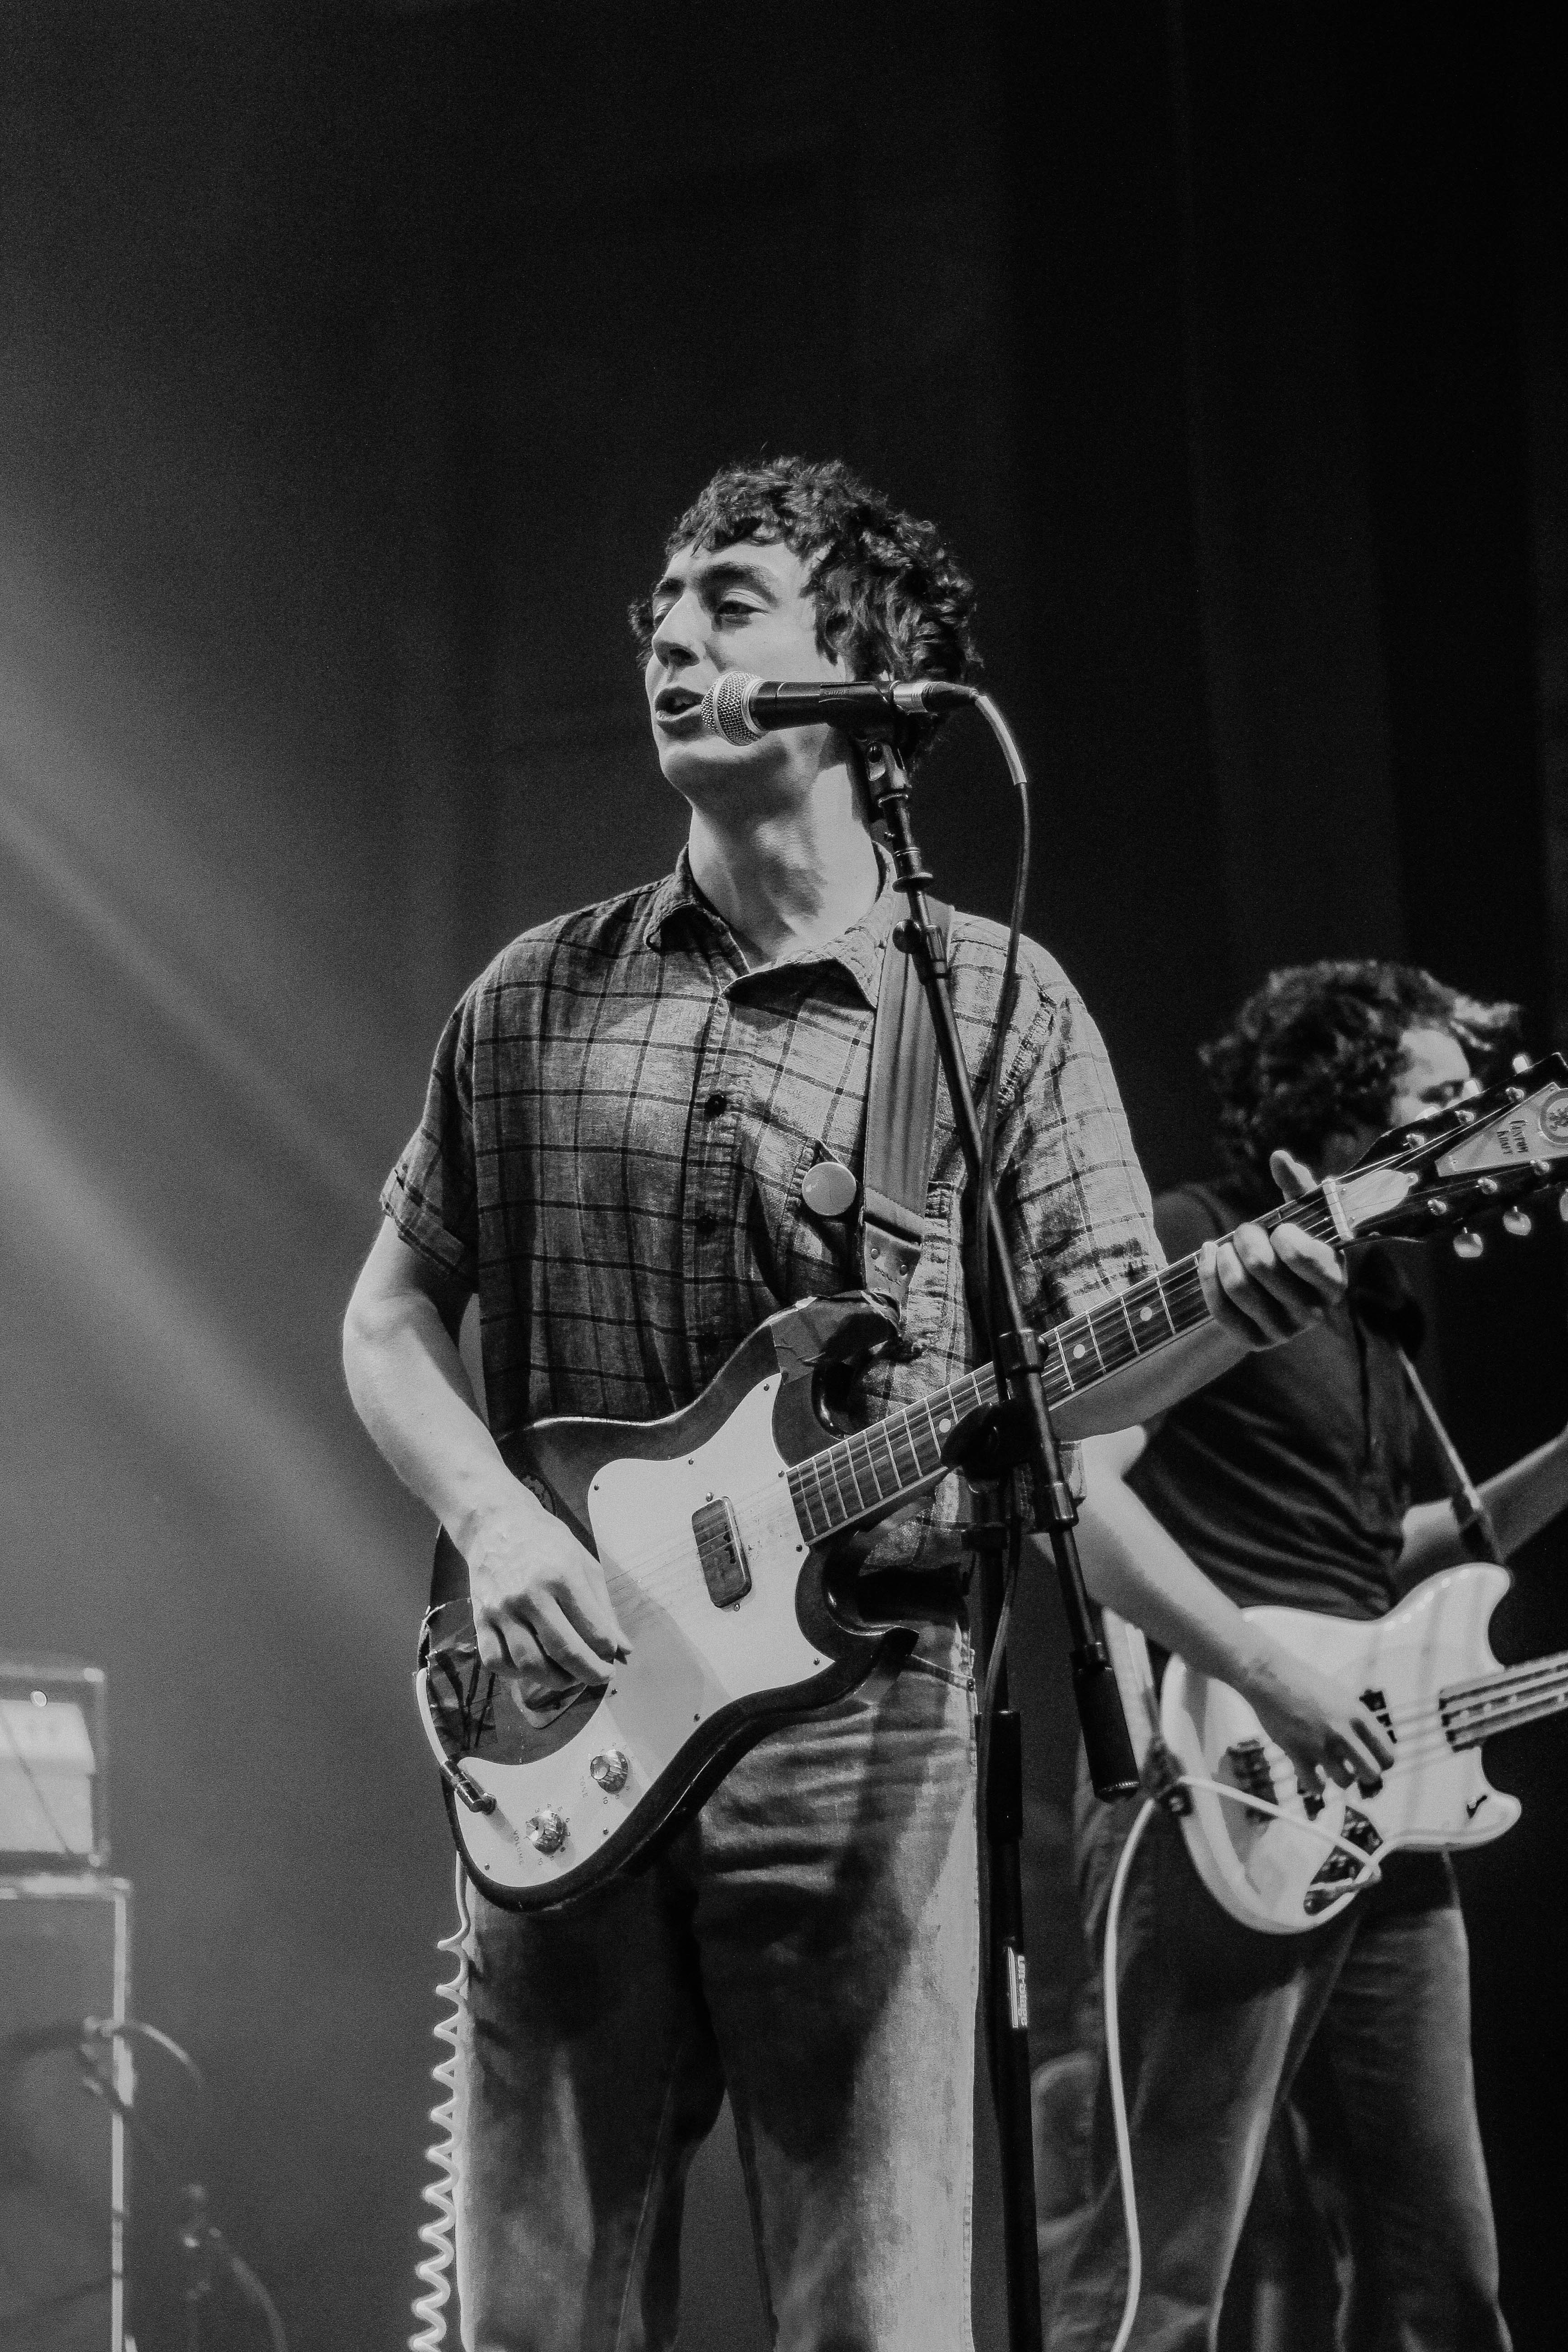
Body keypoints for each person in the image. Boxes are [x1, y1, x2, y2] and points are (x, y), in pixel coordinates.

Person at [341, 457, 1343, 2352]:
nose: (669, 636)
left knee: (874, 2320)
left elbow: (1083, 1400)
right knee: (533, 2327)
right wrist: (493, 1523)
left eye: (728, 599)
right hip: (563, 1711)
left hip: (865, 1725)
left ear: (863, 672)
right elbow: (386, 1319)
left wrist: (1227, 1324)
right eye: (660, 605)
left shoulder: (995, 1008)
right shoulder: (532, 995)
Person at [1048, 961, 1568, 2352]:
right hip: (1214, 1787)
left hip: (1378, 1806)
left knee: (1441, 2281)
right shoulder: (1200, 1246)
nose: (1479, 1116)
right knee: (1161, 2282)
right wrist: (1271, 1681)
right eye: (1442, 1094)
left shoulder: (1376, 1308)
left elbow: (1377, 1566)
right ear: (1339, 1120)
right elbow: (1071, 1498)